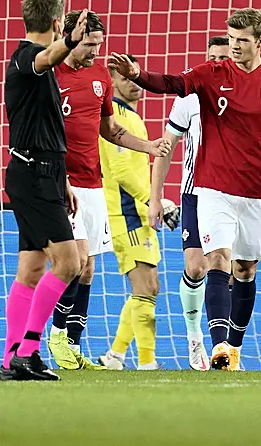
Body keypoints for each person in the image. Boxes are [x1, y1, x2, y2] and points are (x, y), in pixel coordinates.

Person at [108, 8, 261, 371]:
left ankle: (233, 347)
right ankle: (215, 347)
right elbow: (168, 83)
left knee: (245, 269)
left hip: (257, 193)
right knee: (214, 259)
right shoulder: (210, 75)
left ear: (260, 42)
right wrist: (138, 74)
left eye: (241, 41)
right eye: (230, 39)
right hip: (211, 189)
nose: (234, 47)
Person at [148, 35, 261, 371]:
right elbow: (166, 148)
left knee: (240, 269)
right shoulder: (189, 97)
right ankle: (197, 337)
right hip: (197, 193)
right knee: (200, 266)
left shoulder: (247, 94)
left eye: (223, 58)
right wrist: (155, 197)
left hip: (243, 193)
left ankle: (229, 350)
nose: (217, 63)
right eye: (212, 58)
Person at [46, 11, 169, 371]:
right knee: (73, 261)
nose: (94, 52)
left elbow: (110, 129)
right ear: (70, 37)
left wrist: (148, 147)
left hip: (92, 185)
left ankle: (72, 346)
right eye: (88, 44)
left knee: (86, 271)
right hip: (60, 182)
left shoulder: (100, 76)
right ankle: (53, 335)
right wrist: (58, 176)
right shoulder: (51, 75)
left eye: (98, 45)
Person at [0, 0, 91, 381]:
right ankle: (30, 350)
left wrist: (64, 179)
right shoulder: (24, 58)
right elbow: (45, 58)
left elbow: (46, 128)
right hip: (33, 173)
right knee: (70, 263)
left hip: (45, 173)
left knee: (32, 268)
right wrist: (69, 42)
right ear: (58, 23)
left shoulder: (41, 68)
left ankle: (10, 360)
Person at [95, 55, 164, 370]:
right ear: (111, 83)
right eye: (123, 78)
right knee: (145, 288)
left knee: (148, 288)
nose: (133, 84)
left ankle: (116, 355)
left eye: (133, 77)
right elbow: (122, 172)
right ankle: (147, 363)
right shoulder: (115, 119)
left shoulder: (131, 117)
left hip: (138, 212)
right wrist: (154, 199)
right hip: (127, 213)